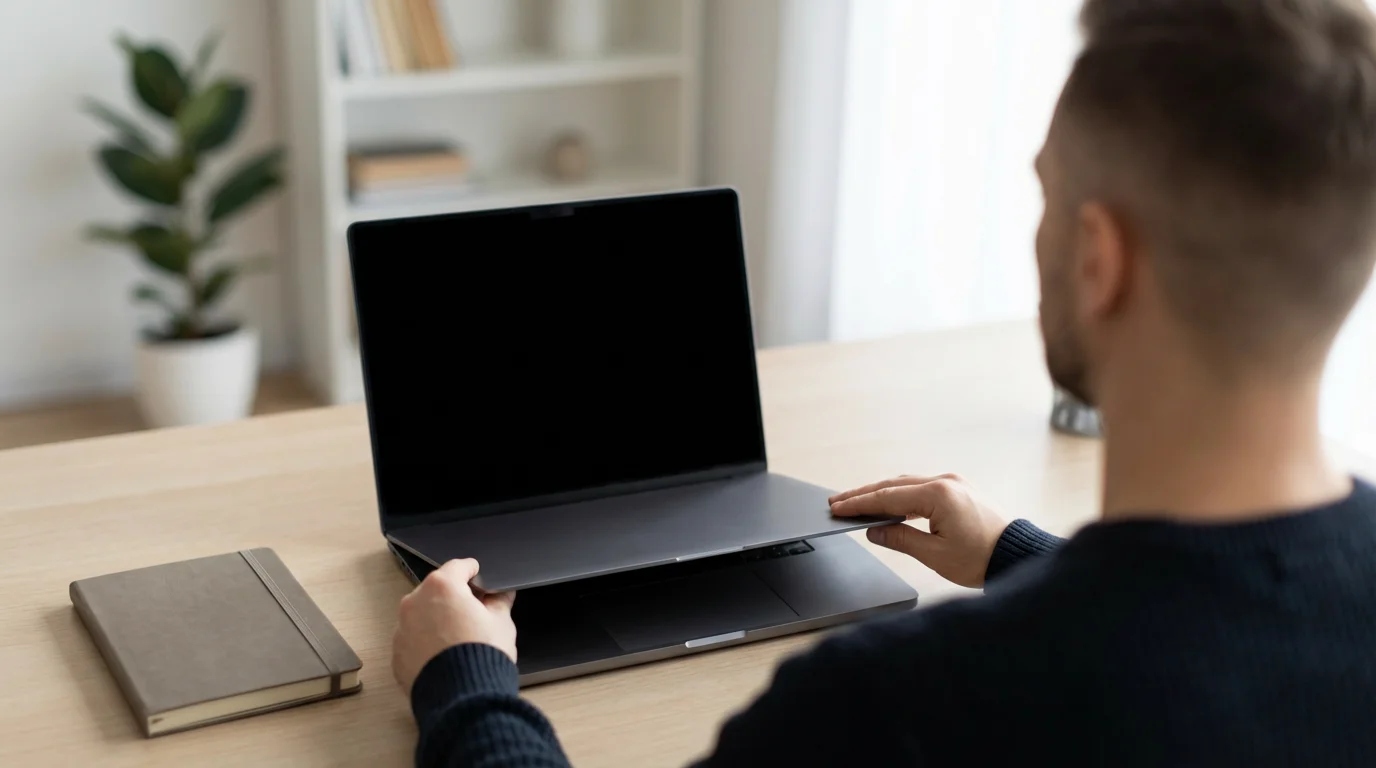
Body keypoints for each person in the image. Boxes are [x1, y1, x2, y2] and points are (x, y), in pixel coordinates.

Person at [391, 0, 1376, 765]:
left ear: (1096, 259)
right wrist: (1024, 558)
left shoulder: (901, 709)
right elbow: (1215, 639)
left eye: (1045, 193)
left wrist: (465, 682)